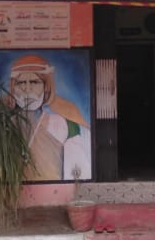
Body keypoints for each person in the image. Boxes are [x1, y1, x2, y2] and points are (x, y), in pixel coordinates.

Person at [5, 54, 92, 182]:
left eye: (34, 82)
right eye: (20, 83)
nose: (27, 89)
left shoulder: (64, 125)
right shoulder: (4, 125)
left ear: (46, 87)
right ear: (13, 87)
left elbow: (77, 173)